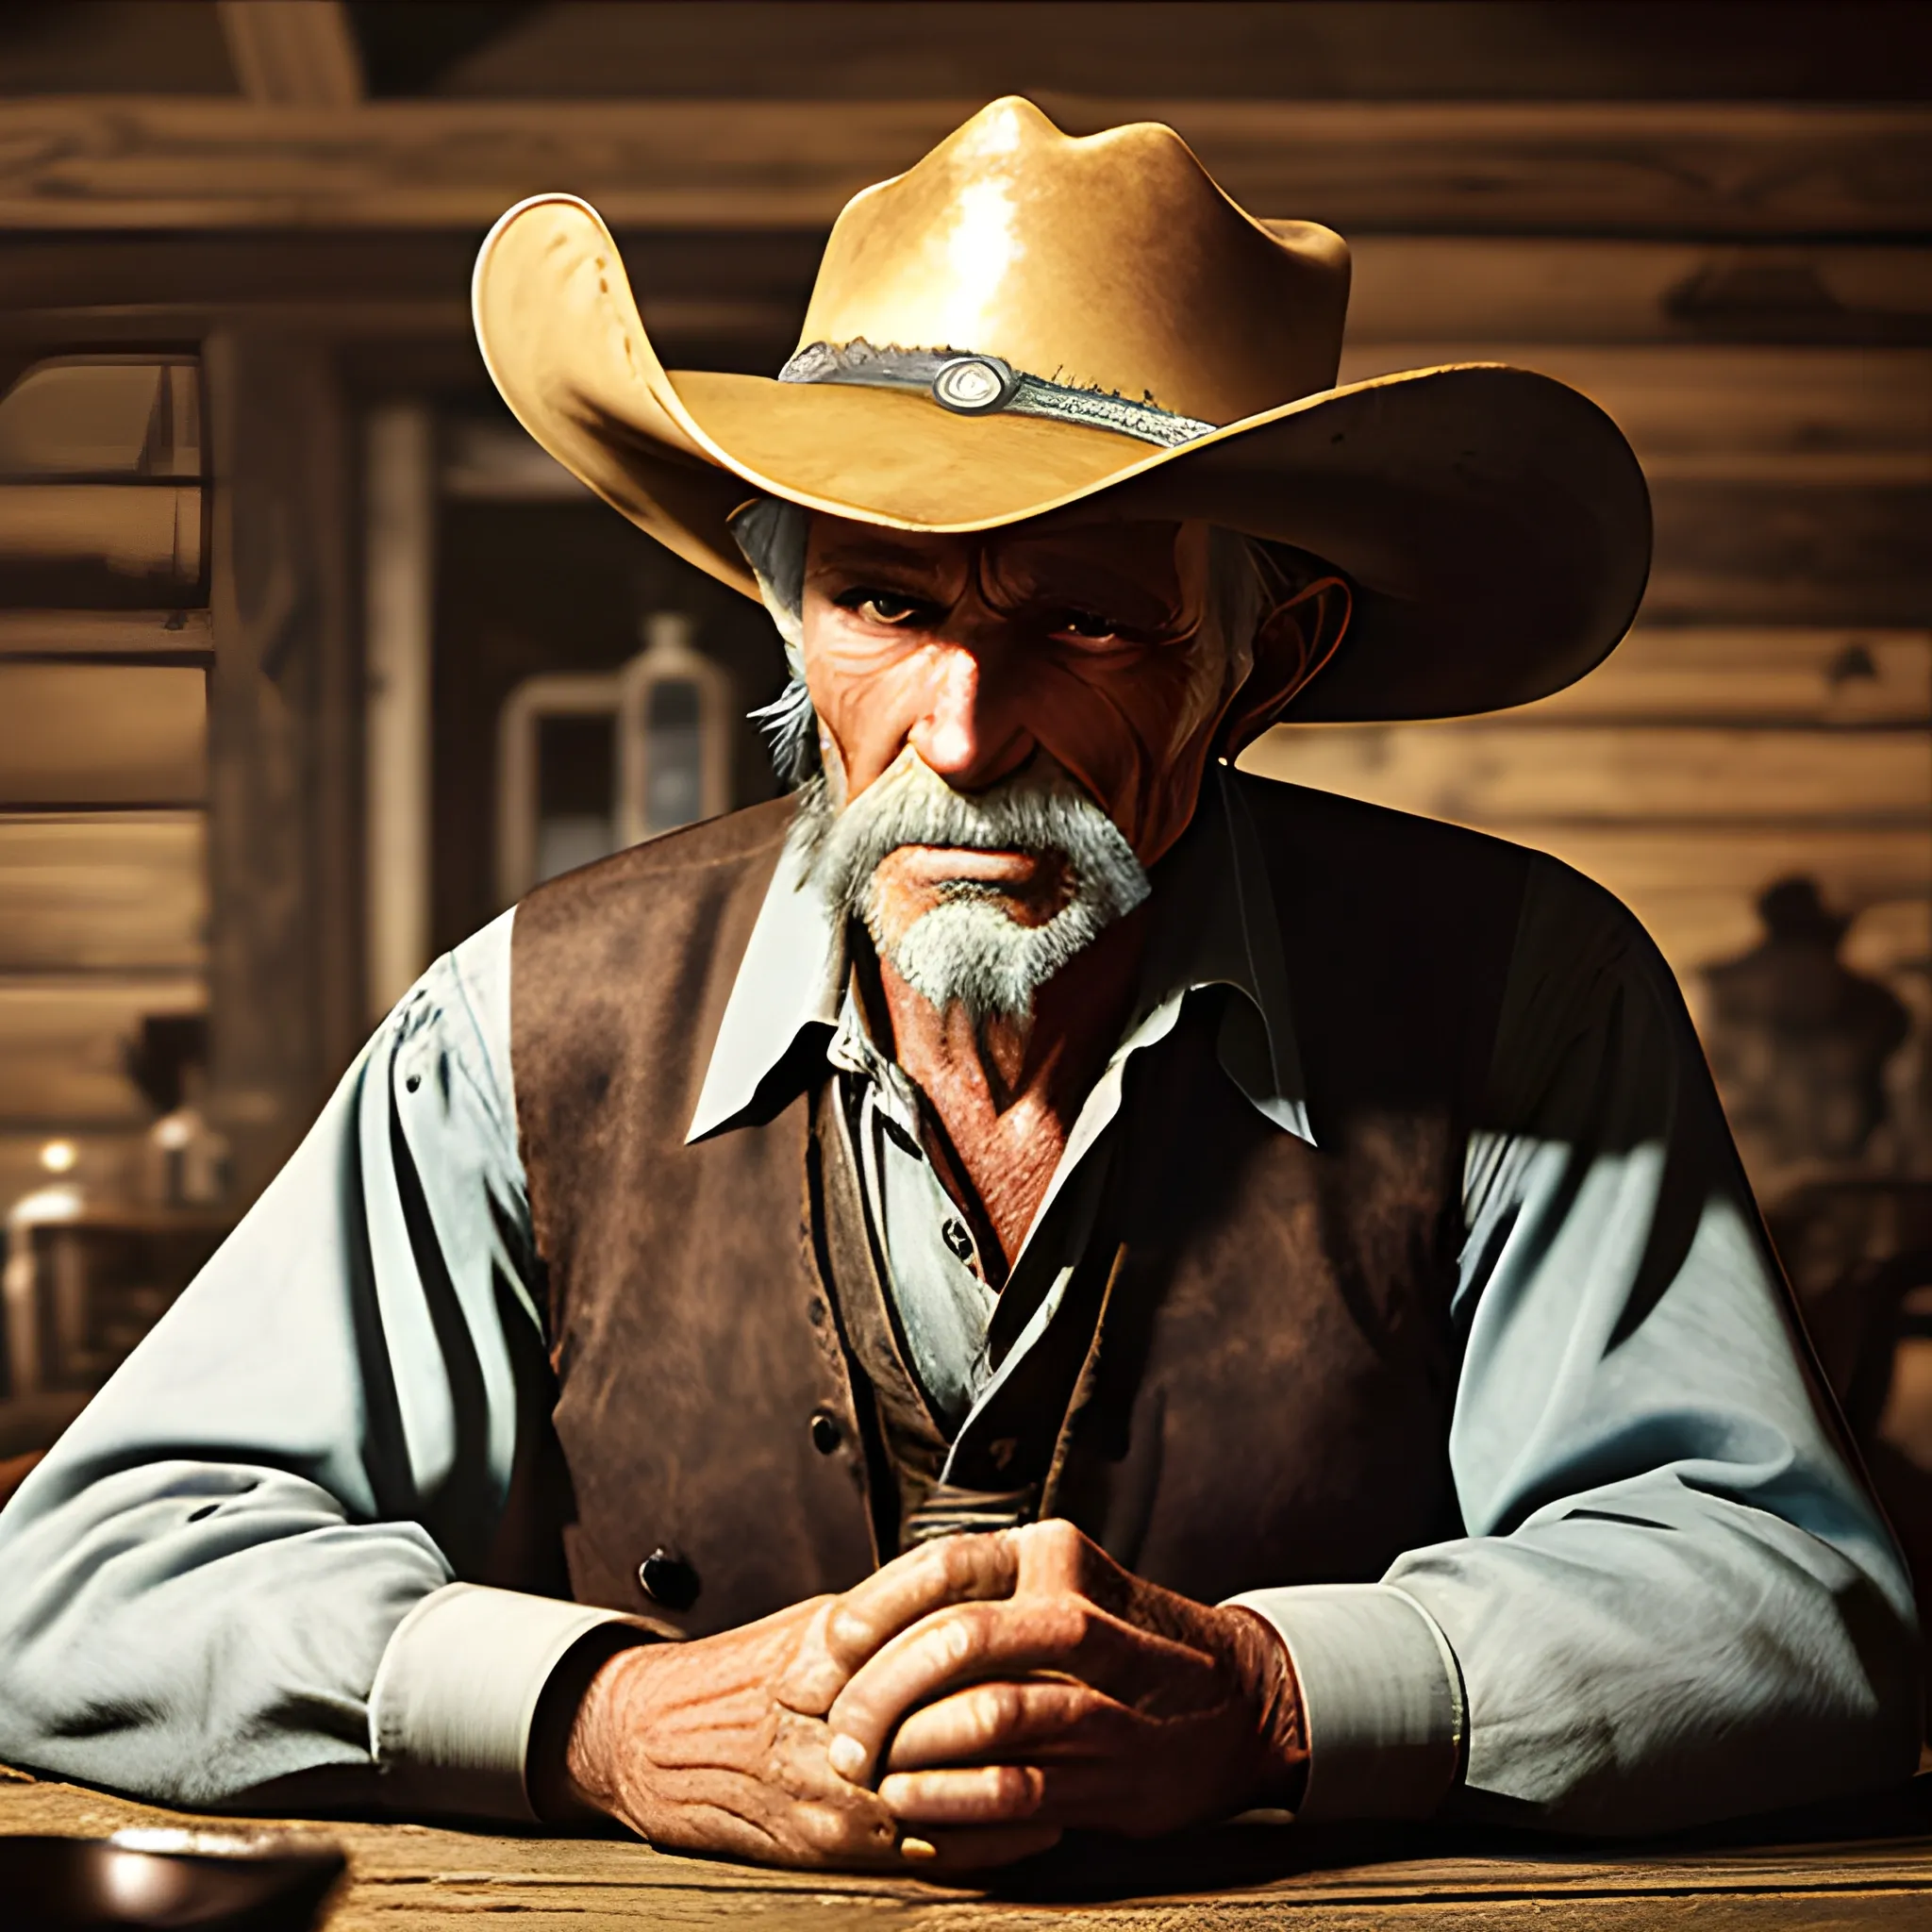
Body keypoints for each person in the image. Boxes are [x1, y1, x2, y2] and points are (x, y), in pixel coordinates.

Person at [0, 99, 1917, 1869]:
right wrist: (596, 1712)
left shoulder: (1519, 996)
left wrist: (1269, 1698)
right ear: (788, 609)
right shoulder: (526, 1023)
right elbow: (79, 1578)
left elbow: (1793, 1603)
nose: (963, 725)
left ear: (1269, 654)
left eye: (1081, 619)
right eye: (888, 603)